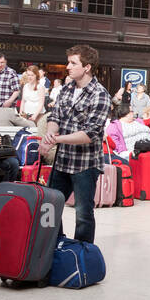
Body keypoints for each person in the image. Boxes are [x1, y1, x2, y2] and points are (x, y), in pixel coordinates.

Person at [42, 45, 110, 244]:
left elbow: (90, 134)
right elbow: (55, 116)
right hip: (62, 161)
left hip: (85, 165)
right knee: (50, 206)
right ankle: (56, 246)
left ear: (87, 67)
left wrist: (56, 139)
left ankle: (82, 255)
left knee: (83, 215)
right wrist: (49, 135)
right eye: (68, 62)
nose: (68, 67)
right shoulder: (66, 88)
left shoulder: (100, 94)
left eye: (73, 63)